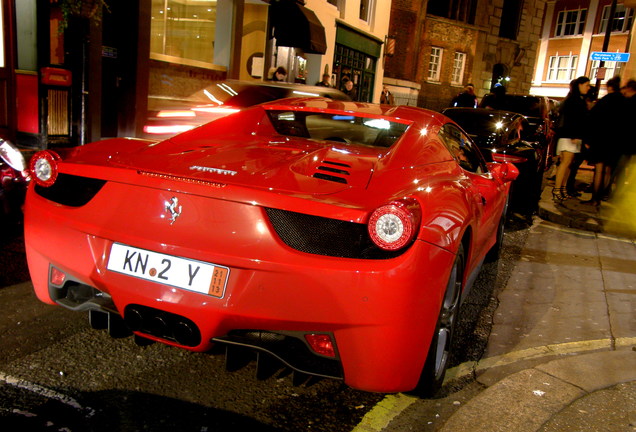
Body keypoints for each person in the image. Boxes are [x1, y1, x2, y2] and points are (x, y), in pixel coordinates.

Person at [580, 77, 625, 206]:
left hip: (602, 140)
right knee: (608, 170)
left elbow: (592, 119)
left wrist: (588, 139)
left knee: (599, 170)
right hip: (616, 141)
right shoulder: (624, 101)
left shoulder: (605, 101)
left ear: (609, 87)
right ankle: (603, 194)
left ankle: (595, 198)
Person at [552, 76, 591, 202]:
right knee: (565, 163)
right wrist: (574, 135)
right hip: (569, 135)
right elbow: (572, 119)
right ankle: (557, 189)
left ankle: (562, 188)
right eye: (586, 85)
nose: (588, 88)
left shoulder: (577, 99)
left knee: (568, 164)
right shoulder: (573, 100)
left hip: (572, 135)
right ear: (579, 85)